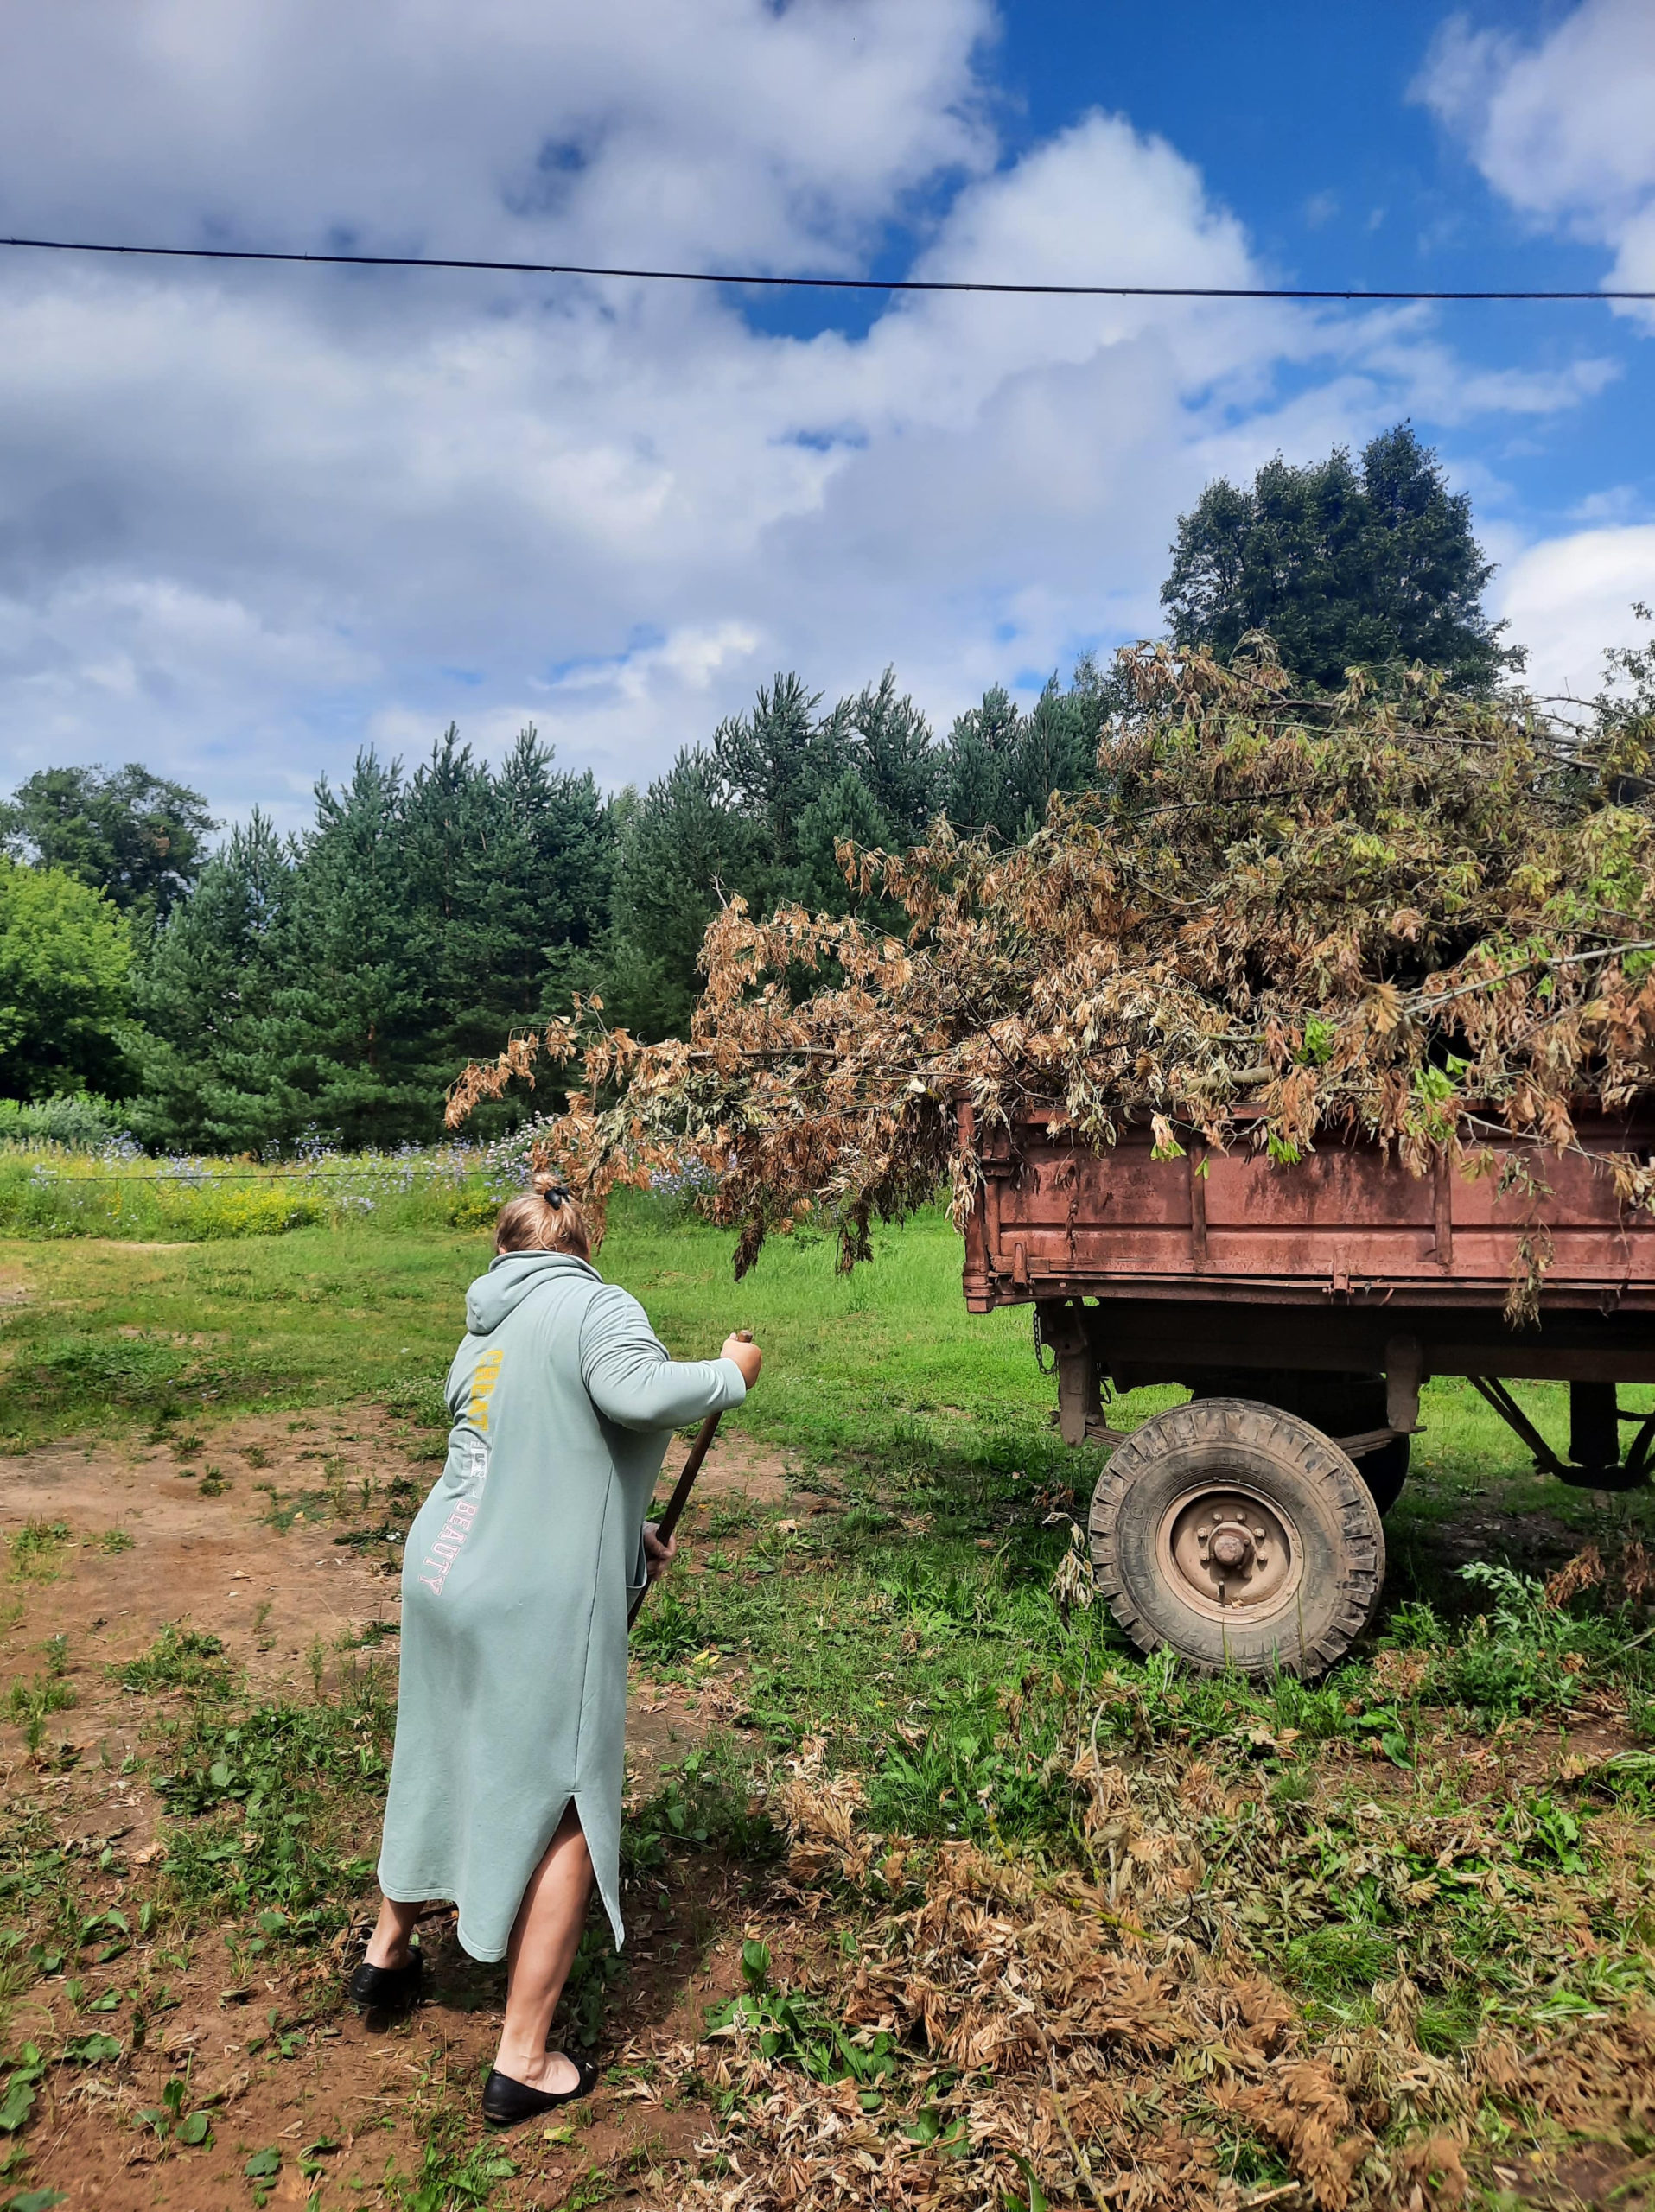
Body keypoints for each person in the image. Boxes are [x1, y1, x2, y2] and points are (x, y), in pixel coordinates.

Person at [347, 1170, 762, 2127]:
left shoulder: (483, 1326)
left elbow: (525, 1449)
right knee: (568, 1793)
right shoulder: (592, 1303)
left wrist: (624, 1530)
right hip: (527, 1596)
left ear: (506, 1248)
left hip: (445, 1568)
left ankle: (387, 1954)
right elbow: (635, 1391)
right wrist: (728, 1372)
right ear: (582, 1246)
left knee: (442, 1754)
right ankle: (524, 2056)